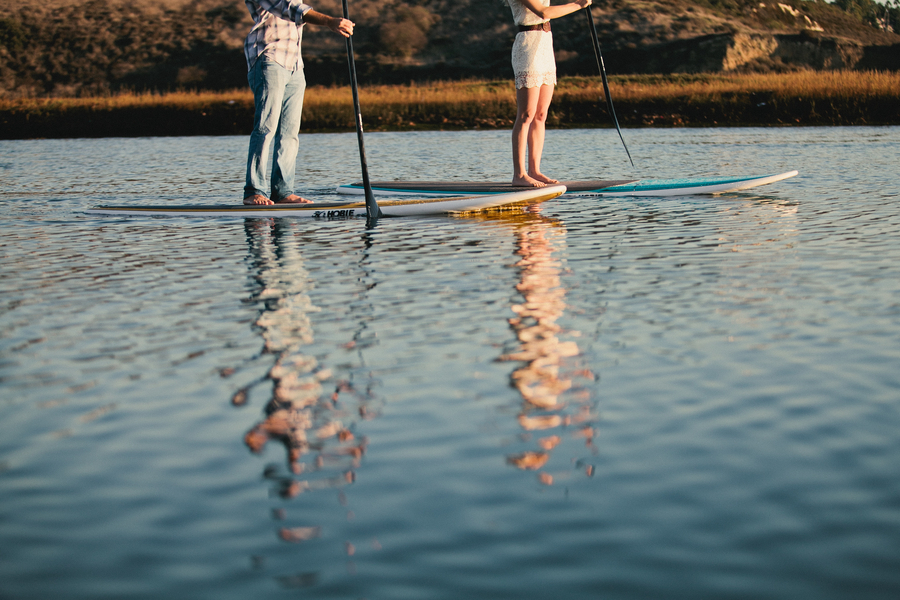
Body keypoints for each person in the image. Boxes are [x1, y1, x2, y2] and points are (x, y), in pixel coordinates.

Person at [242, 0, 354, 205]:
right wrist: (330, 21)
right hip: (269, 57)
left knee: (289, 133)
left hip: (294, 64)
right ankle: (253, 191)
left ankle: (283, 192)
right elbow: (289, 7)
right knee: (266, 128)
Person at [505, 0, 591, 187]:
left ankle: (534, 170)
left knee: (541, 114)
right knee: (526, 114)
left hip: (545, 43)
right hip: (527, 45)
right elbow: (544, 12)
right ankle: (519, 175)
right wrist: (578, 5)